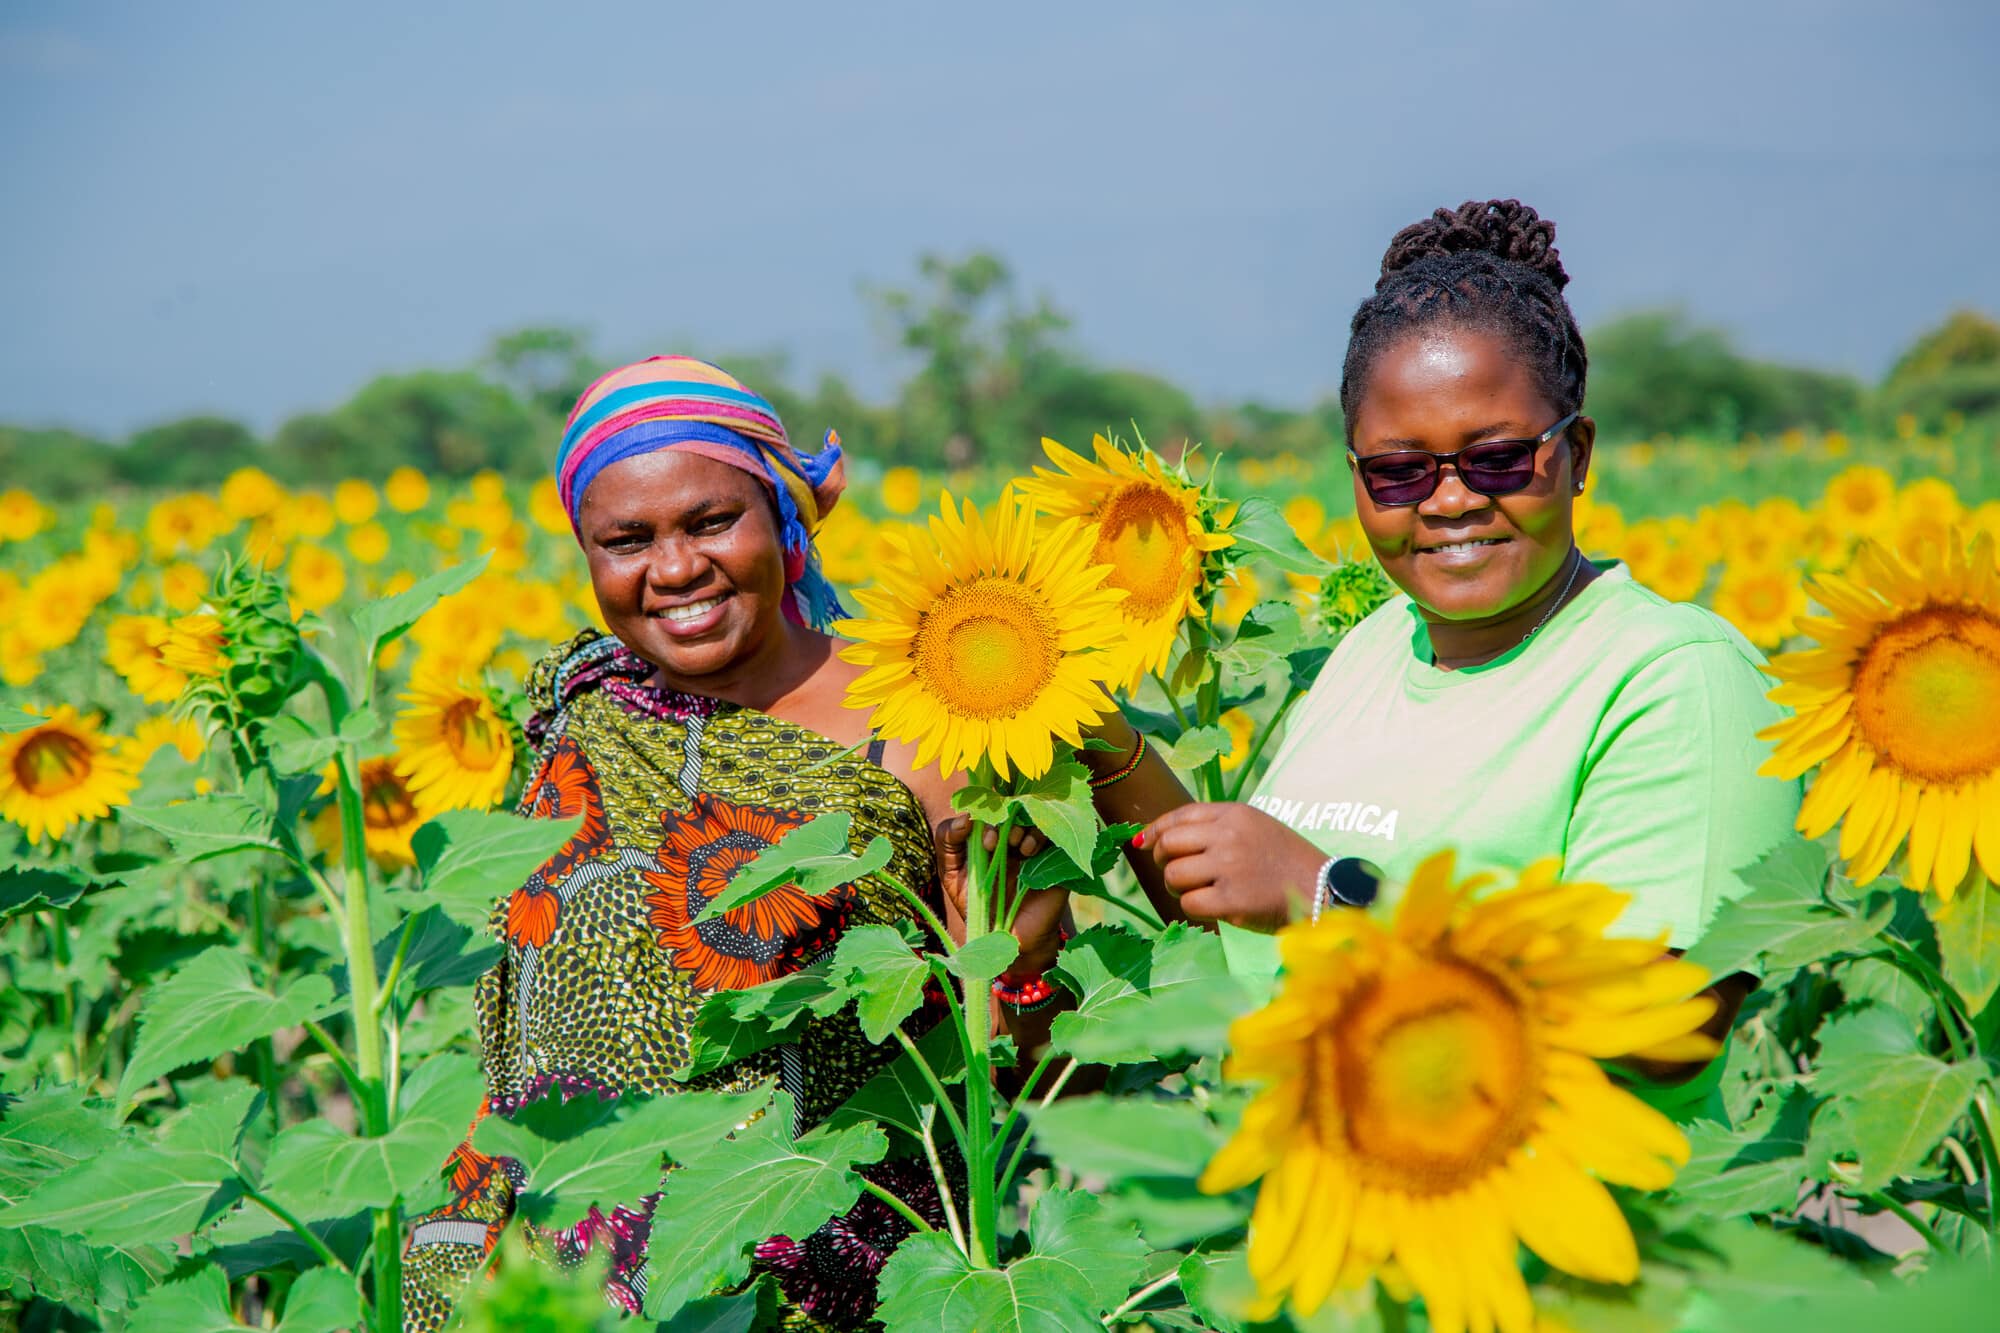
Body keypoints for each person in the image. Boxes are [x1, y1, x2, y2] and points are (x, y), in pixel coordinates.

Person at [1083, 200, 1801, 1117]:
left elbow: (1672, 1020)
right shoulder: (1375, 647)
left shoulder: (1671, 675)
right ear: (1358, 482)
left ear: (1575, 454)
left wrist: (1331, 900)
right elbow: (1238, 914)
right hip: (1312, 1226)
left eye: (1496, 458)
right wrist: (1093, 731)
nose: (1451, 499)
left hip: (1531, 1234)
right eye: (1400, 470)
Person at [401, 356, 1066, 1331]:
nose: (672, 568)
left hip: (822, 1287)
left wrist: (1017, 969)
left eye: (711, 522)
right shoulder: (581, 715)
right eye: (625, 539)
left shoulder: (919, 730)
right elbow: (523, 1021)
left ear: (784, 521)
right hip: (551, 1279)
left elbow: (1014, 1053)